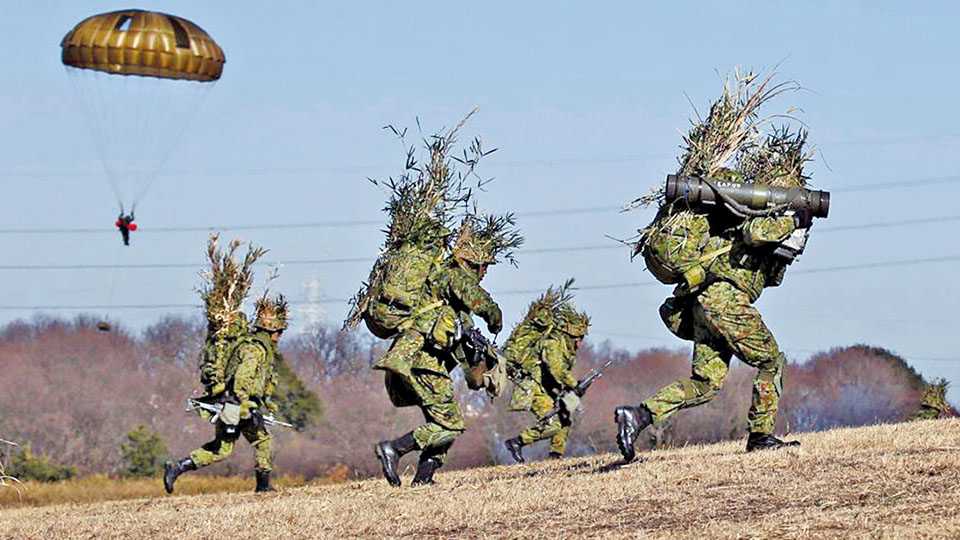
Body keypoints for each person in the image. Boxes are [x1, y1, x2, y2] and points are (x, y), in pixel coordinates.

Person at [616, 201, 810, 461]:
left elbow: (770, 277)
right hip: (723, 298)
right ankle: (761, 436)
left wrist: (789, 247)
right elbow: (754, 233)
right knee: (771, 361)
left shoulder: (754, 224)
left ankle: (638, 416)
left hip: (705, 303)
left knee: (705, 384)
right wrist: (794, 220)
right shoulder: (754, 215)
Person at [374, 215, 518, 486]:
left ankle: (423, 479)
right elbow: (478, 298)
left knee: (443, 425)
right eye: (483, 266)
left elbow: (464, 356)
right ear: (470, 263)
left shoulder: (450, 301)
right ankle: (394, 448)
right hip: (422, 363)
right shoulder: (452, 275)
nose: (485, 272)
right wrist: (494, 314)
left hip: (426, 364)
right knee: (451, 424)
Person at [164, 295, 287, 494]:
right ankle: (263, 487)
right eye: (279, 332)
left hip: (229, 403)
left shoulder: (252, 345)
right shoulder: (255, 350)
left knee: (222, 449)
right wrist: (247, 408)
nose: (280, 336)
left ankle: (178, 467)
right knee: (264, 441)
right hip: (237, 405)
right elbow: (241, 380)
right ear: (270, 331)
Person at [503, 287, 589, 463]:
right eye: (579, 338)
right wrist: (574, 384)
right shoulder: (552, 344)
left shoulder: (566, 350)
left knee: (566, 419)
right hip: (533, 389)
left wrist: (574, 392)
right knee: (554, 425)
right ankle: (518, 442)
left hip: (548, 390)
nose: (580, 343)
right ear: (571, 335)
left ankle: (555, 457)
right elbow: (556, 371)